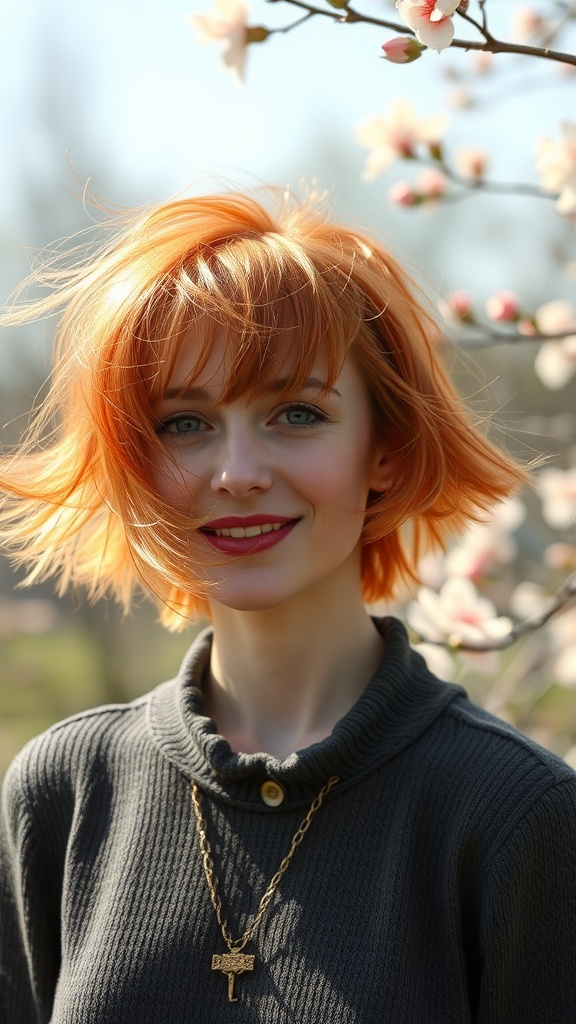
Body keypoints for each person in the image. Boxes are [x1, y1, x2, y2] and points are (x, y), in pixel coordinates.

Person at [0, 188, 575, 1024]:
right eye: (184, 423)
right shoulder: (64, 793)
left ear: (384, 448)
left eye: (297, 413)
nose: (236, 471)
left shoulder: (516, 816)